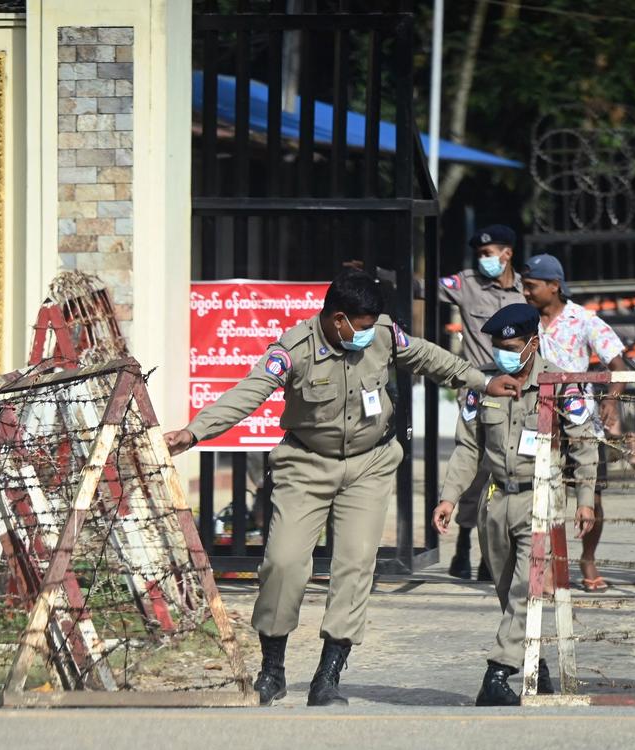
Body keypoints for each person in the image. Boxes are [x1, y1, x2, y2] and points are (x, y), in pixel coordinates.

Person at [164, 269, 521, 707]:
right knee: (283, 563)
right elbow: (248, 393)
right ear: (338, 320)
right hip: (306, 463)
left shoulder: (385, 335)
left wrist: (483, 381)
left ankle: (327, 676)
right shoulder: (293, 350)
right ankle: (272, 668)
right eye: (363, 325)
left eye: (373, 323)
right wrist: (195, 432)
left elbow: (431, 358)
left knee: (354, 566)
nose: (369, 334)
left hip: (369, 465)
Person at [433, 303, 597, 706]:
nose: (503, 353)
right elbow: (468, 447)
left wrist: (585, 500)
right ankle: (535, 666)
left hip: (541, 498)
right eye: (498, 346)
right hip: (496, 500)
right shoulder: (483, 386)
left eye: (511, 345)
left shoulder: (558, 383)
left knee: (528, 589)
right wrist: (449, 497)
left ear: (533, 344)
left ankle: (496, 674)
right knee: (509, 592)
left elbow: (583, 444)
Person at [521, 254, 627, 592]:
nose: (525, 292)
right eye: (523, 286)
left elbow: (619, 365)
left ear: (554, 286)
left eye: (531, 286)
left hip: (582, 423)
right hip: (538, 422)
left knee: (591, 496)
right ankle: (552, 564)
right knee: (546, 496)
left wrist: (610, 399)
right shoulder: (524, 321)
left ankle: (588, 557)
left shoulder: (584, 320)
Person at [437, 224, 525, 581]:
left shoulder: (526, 288)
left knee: (506, 469)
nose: (484, 259)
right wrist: (381, 276)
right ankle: (462, 545)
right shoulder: (467, 284)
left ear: (508, 254)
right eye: (481, 254)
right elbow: (425, 288)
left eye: (490, 253)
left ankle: (493, 556)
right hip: (480, 389)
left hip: (518, 392)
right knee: (475, 469)